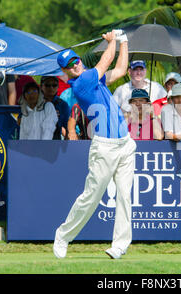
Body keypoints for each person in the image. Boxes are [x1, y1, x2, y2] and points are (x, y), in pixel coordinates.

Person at [53, 29, 136, 260]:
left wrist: (124, 41)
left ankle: (119, 246)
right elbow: (106, 59)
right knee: (91, 196)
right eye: (70, 65)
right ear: (66, 71)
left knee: (125, 196)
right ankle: (63, 235)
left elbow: (119, 70)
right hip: (105, 147)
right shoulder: (80, 84)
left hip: (125, 144)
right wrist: (112, 41)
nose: (75, 66)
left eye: (76, 60)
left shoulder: (94, 78)